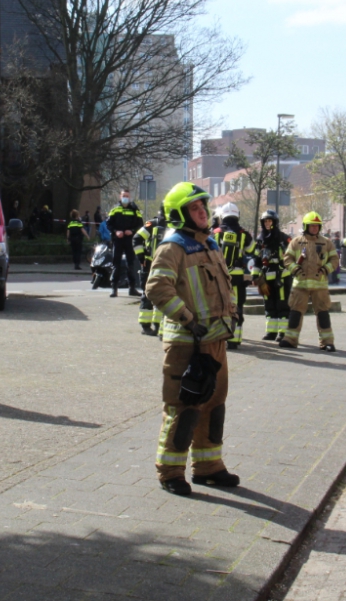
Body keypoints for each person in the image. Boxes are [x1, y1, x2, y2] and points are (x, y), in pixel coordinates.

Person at [145, 182, 239, 496]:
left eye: (203, 207)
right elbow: (157, 289)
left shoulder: (211, 243)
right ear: (179, 214)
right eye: (195, 209)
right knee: (183, 407)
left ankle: (209, 468)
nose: (202, 213)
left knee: (214, 404)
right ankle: (170, 472)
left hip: (215, 343)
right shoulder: (173, 246)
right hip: (186, 344)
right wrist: (186, 318)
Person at [280, 211, 338, 351]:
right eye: (312, 226)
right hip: (300, 284)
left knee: (323, 313)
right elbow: (287, 259)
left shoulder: (326, 243)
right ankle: (290, 339)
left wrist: (326, 269)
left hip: (320, 286)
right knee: (295, 313)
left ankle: (327, 342)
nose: (314, 228)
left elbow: (335, 260)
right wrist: (295, 269)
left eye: (317, 226)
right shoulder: (296, 242)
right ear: (306, 226)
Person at [214, 203, 258, 349]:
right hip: (237, 277)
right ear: (237, 215)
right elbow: (253, 251)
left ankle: (217, 338)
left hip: (219, 276)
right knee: (237, 306)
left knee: (217, 306)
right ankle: (234, 339)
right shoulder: (244, 233)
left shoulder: (216, 232)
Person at [255, 210, 292, 341]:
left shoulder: (283, 238)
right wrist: (255, 276)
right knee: (269, 305)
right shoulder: (260, 240)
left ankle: (283, 333)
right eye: (265, 221)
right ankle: (271, 332)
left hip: (282, 278)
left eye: (269, 221)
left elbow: (293, 255)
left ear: (274, 222)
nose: (267, 223)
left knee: (282, 305)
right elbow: (256, 259)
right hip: (267, 279)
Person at [133, 210, 168, 336]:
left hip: (148, 264)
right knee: (163, 294)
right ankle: (157, 326)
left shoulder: (152, 224)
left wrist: (141, 258)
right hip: (164, 265)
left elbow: (137, 239)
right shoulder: (172, 226)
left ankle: (146, 326)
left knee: (147, 294)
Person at [106, 189, 144, 298]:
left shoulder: (134, 209)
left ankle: (132, 288)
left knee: (130, 264)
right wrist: (115, 231)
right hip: (118, 240)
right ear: (120, 196)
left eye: (127, 196)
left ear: (130, 197)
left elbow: (140, 225)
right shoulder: (115, 209)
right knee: (116, 264)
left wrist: (131, 231)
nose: (125, 198)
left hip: (129, 240)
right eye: (124, 195)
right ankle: (114, 289)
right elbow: (109, 224)